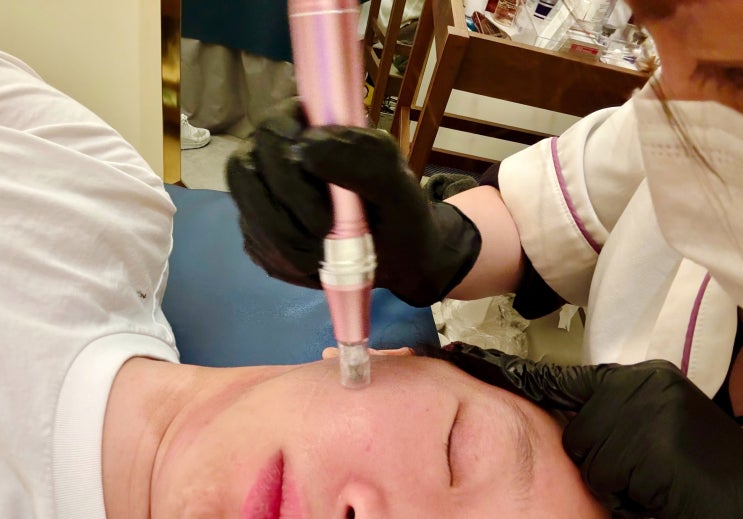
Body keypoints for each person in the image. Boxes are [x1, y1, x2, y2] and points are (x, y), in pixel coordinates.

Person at [0, 51, 608, 518]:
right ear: (386, 356)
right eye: (454, 451)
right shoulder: (106, 196)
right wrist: (450, 241)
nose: (364, 512)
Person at [226, 0, 743, 517]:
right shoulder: (694, 91)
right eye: (654, 42)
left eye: (735, 79)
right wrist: (434, 244)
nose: (685, 115)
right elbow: (554, 214)